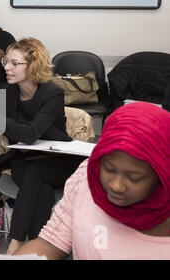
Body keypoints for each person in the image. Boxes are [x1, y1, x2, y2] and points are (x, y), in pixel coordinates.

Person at [13, 102, 170, 259]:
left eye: (135, 178)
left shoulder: (51, 93)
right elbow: (50, 243)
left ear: (162, 174)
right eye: (109, 169)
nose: (116, 186)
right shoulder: (86, 178)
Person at [0, 38, 84, 254]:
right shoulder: (5, 91)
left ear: (33, 64)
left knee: (37, 173)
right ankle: (37, 252)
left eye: (15, 63)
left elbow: (29, 134)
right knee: (39, 187)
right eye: (6, 62)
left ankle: (15, 246)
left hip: (58, 160)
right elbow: (3, 135)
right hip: (22, 159)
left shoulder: (52, 92)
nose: (7, 67)